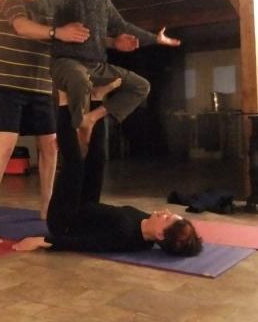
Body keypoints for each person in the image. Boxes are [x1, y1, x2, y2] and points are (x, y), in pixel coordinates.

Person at [0, 0, 90, 245]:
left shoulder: (50, 7)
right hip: (10, 82)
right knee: (6, 146)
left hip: (40, 86)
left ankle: (46, 207)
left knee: (50, 145)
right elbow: (23, 27)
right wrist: (56, 32)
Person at [47, 0, 182, 155]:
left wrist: (154, 39)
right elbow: (45, 7)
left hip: (98, 66)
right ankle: (76, 132)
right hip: (66, 63)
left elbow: (121, 25)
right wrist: (58, 31)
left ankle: (91, 119)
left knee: (141, 86)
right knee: (80, 80)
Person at [13, 101, 202, 255]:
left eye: (167, 218)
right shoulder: (148, 232)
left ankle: (64, 102)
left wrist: (41, 241)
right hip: (86, 206)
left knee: (75, 164)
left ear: (160, 234)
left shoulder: (123, 237)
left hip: (64, 221)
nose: (165, 212)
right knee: (98, 159)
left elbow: (83, 243)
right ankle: (97, 99)